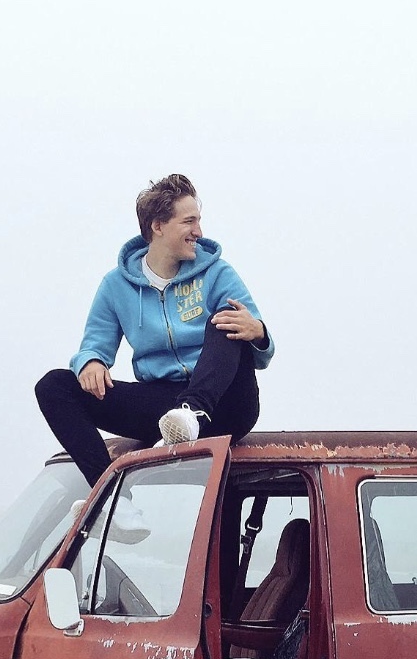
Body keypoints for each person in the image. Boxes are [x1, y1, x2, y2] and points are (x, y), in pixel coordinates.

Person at [35, 174, 274, 497]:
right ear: (158, 226)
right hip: (164, 406)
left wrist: (259, 333)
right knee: (54, 386)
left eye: (198, 220)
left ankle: (192, 412)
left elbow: (259, 351)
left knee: (225, 320)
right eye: (189, 221)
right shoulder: (115, 286)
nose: (199, 231)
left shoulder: (218, 273)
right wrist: (90, 362)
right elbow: (94, 345)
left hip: (225, 403)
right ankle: (111, 497)